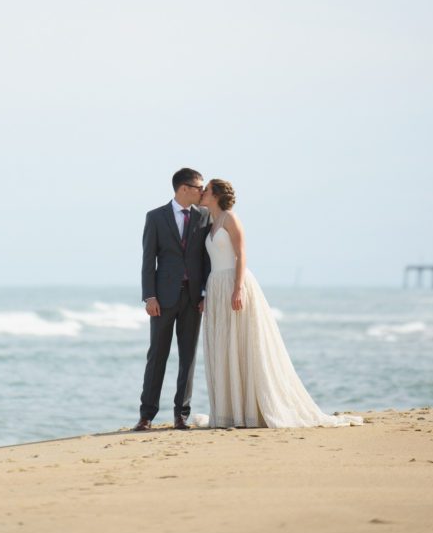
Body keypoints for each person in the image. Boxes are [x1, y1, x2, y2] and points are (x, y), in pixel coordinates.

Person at [199, 178, 362, 429]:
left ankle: (253, 410)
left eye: (206, 190)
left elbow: (241, 254)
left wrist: (238, 288)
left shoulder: (231, 218)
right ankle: (231, 410)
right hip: (216, 286)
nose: (202, 193)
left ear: (217, 194)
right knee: (224, 345)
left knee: (242, 342)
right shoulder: (209, 220)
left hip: (233, 282)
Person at [133, 168, 211, 431]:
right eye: (199, 187)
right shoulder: (155, 217)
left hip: (192, 298)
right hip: (163, 299)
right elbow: (148, 260)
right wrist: (149, 296)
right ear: (184, 188)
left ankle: (181, 415)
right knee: (157, 356)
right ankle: (146, 416)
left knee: (188, 358)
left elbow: (206, 259)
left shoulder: (204, 216)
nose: (203, 191)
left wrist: (205, 294)